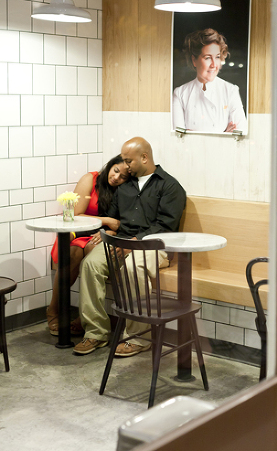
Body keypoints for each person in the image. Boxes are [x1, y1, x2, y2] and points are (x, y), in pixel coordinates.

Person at [74, 137, 186, 357]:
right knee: (90, 264)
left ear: (144, 158)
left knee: (133, 269)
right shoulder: (125, 186)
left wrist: (134, 245)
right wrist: (110, 232)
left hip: (156, 247)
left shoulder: (170, 186)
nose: (125, 166)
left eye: (128, 161)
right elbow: (114, 217)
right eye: (123, 161)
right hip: (121, 242)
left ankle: (139, 337)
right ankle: (96, 333)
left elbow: (166, 226)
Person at [46, 155, 129, 336]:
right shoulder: (90, 180)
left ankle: (85, 318)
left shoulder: (125, 190)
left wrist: (111, 231)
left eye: (123, 177)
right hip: (78, 233)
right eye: (116, 171)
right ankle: (53, 310)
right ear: (110, 165)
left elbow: (122, 222)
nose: (116, 178)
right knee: (74, 253)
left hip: (101, 236)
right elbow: (76, 215)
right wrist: (107, 220)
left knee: (94, 255)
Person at [172, 28, 247, 134]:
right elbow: (178, 138)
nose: (213, 65)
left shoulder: (230, 91)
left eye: (217, 57)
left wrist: (191, 134)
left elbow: (240, 132)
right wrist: (224, 134)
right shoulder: (180, 94)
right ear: (194, 60)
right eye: (207, 58)